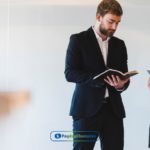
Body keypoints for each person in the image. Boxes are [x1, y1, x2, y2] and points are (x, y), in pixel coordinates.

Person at [65, 0, 130, 149]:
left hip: (113, 111)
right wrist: (96, 78)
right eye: (111, 21)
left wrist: (121, 85)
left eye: (118, 23)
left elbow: (124, 76)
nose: (114, 27)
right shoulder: (78, 40)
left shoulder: (120, 45)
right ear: (99, 16)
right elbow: (70, 73)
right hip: (86, 110)